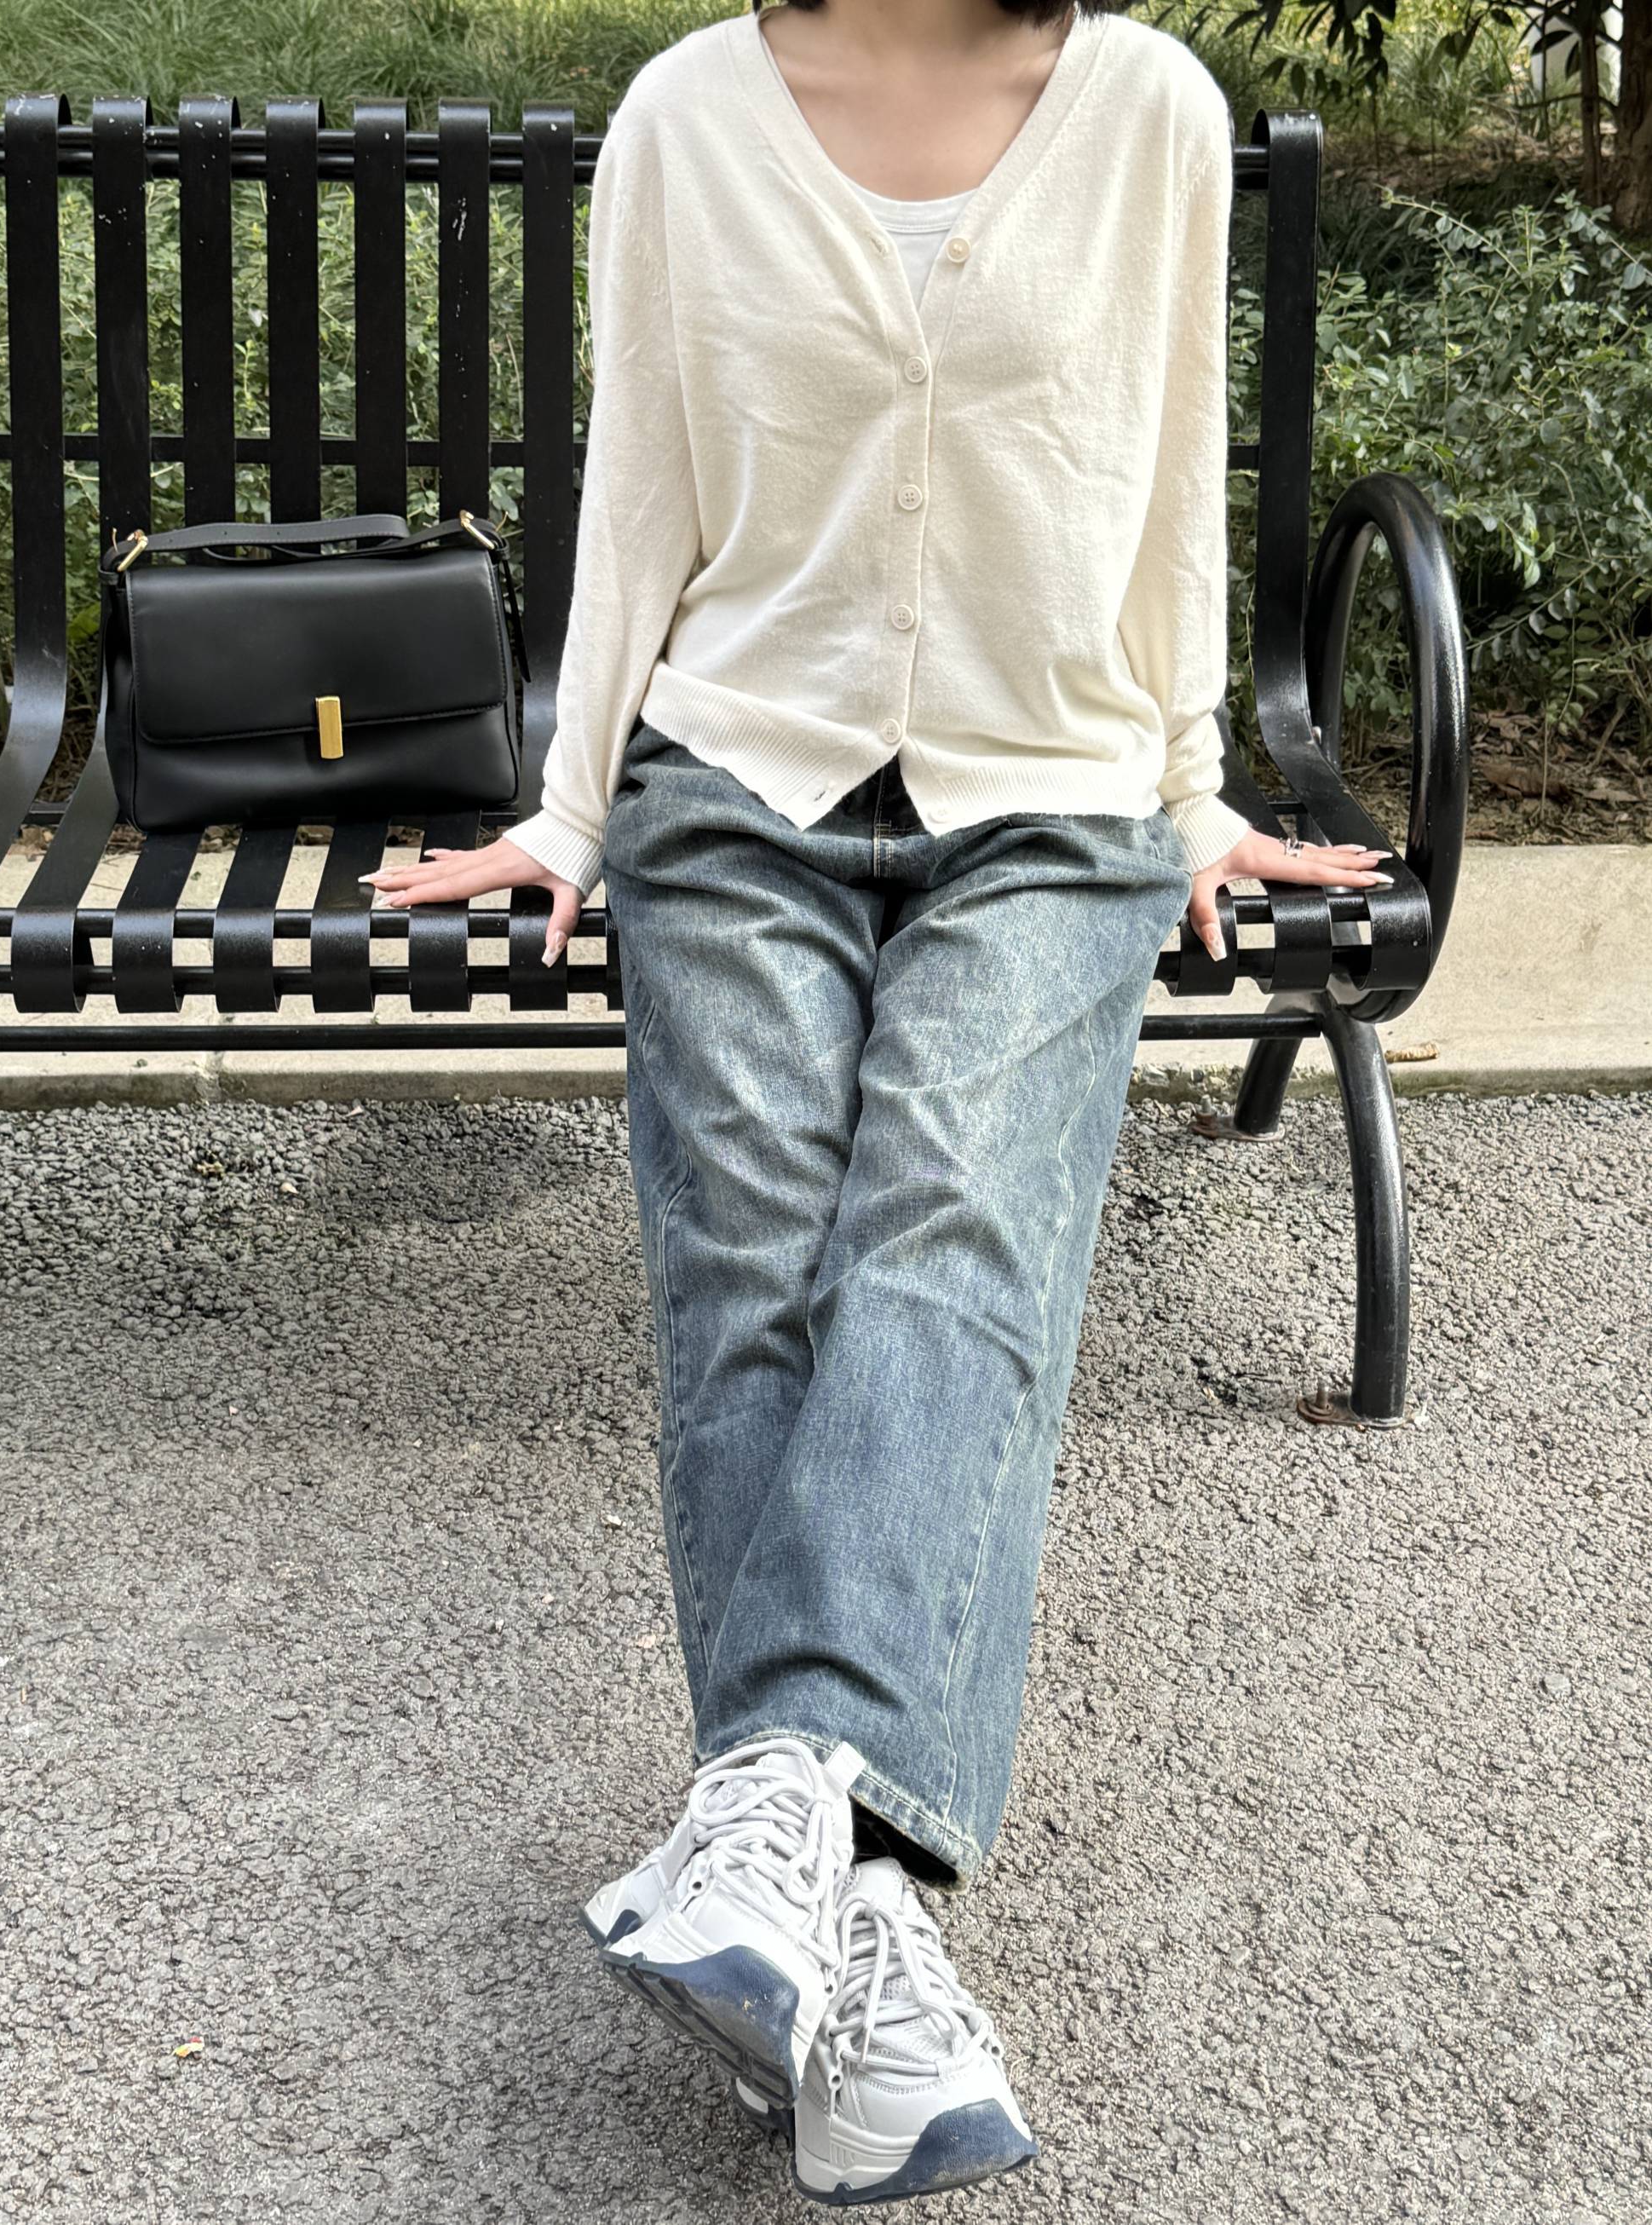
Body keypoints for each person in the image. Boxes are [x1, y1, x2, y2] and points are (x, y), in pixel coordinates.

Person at [364, 0, 1391, 2202]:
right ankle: (876, 1919)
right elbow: (641, 482)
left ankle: (779, 1804)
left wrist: (1194, 788)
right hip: (741, 778)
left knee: (946, 1224)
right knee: (746, 1252)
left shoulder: (1147, 110)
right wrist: (572, 810)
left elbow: (1169, 469)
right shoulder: (687, 118)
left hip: (1057, 800)